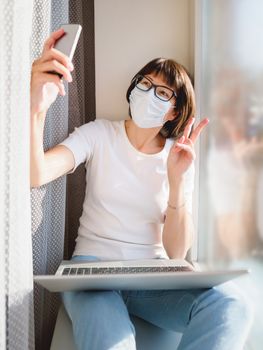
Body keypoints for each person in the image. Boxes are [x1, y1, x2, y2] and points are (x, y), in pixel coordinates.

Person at [31, 28, 253, 350]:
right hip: (93, 274)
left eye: (163, 93)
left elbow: (177, 253)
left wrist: (177, 182)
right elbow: (37, 173)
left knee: (234, 306)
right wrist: (37, 106)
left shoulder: (178, 154)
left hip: (155, 276)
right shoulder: (98, 134)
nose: (149, 93)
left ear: (174, 111)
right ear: (134, 87)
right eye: (145, 84)